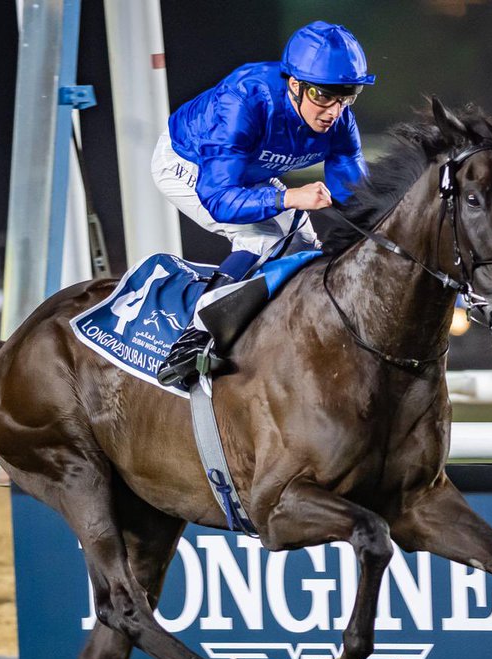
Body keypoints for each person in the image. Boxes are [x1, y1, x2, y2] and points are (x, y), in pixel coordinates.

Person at [152, 20, 375, 388]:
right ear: (295, 85)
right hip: (188, 163)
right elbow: (220, 199)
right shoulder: (243, 99)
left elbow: (358, 199)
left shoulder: (339, 121)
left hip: (245, 172)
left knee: (303, 241)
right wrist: (289, 196)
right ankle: (194, 338)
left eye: (346, 95)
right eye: (322, 96)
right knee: (261, 240)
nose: (334, 111)